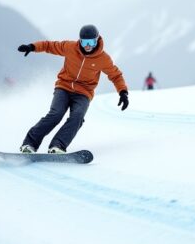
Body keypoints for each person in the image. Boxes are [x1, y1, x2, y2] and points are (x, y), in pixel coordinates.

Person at [17, 24, 129, 154]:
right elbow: (50, 46)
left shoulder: (103, 59)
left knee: (77, 117)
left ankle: (57, 146)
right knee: (56, 114)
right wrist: (32, 47)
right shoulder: (70, 47)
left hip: (84, 93)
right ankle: (29, 144)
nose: (88, 46)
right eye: (84, 42)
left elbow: (115, 75)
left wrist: (123, 92)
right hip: (63, 87)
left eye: (91, 42)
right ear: (80, 41)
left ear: (97, 40)